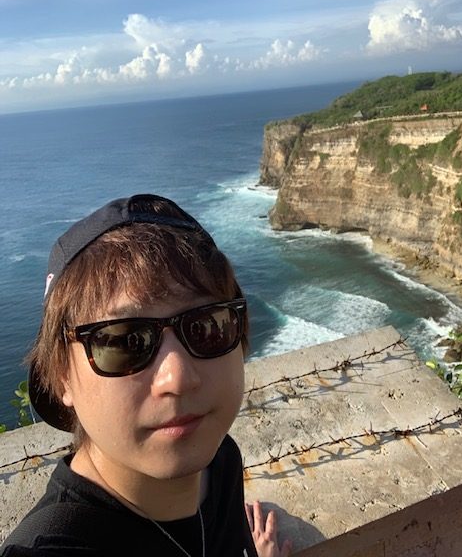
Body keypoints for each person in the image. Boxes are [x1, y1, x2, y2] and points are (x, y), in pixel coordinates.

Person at [1, 194, 292, 557]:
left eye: (207, 326)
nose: (178, 378)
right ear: (62, 376)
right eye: (125, 342)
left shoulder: (220, 461)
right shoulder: (52, 548)